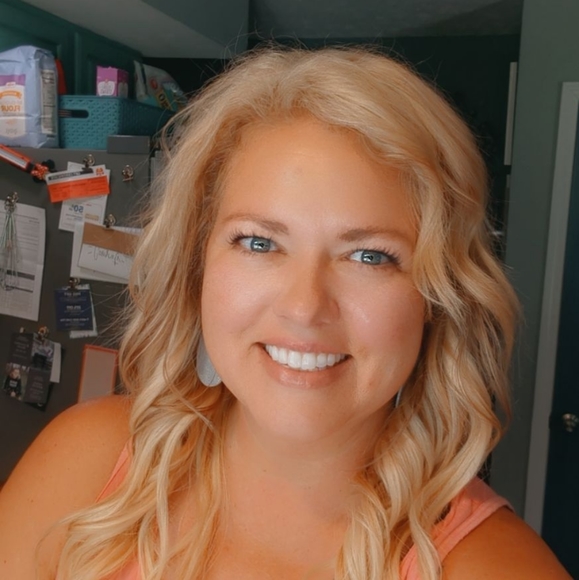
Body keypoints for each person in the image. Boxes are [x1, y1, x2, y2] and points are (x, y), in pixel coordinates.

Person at [0, 47, 570, 580]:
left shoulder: (493, 566)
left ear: (438, 299)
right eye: (259, 242)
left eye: (370, 256)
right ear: (198, 266)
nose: (304, 307)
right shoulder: (85, 461)